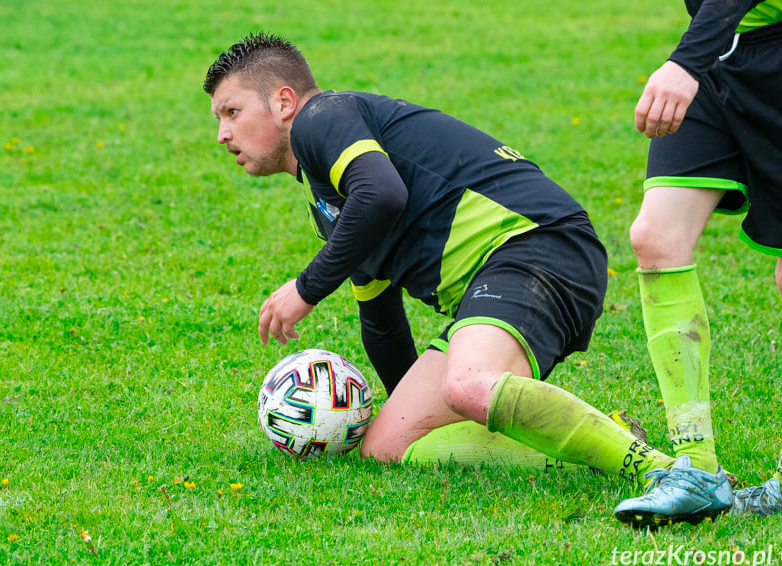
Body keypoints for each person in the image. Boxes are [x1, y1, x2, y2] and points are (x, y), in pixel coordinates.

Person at [204, 31, 681, 495]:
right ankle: (611, 441)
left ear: (284, 103)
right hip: (505, 272)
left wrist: (305, 289)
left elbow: (382, 194)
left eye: (232, 111)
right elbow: (382, 321)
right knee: (388, 445)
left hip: (537, 246)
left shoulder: (323, 116)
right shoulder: (327, 202)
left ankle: (666, 472)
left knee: (469, 385)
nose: (223, 134)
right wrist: (407, 407)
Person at [614, 0, 782, 528]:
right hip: (719, 50)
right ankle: (698, 469)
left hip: (737, 48)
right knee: (656, 238)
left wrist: (685, 63)